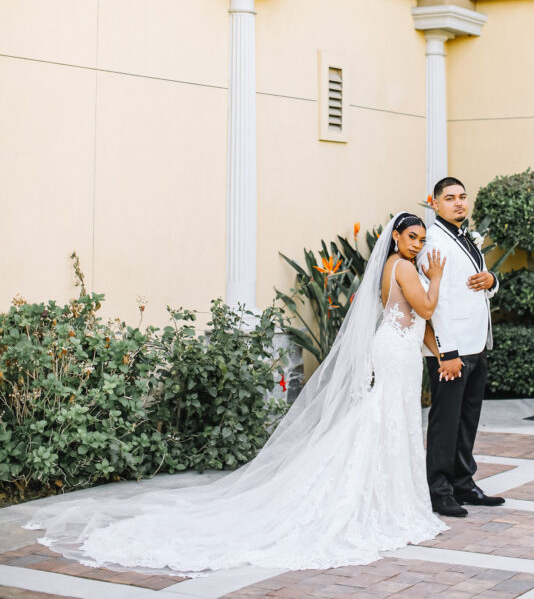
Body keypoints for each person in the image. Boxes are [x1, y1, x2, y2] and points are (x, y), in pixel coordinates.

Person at [26, 214, 450, 574]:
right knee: (390, 420)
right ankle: (386, 503)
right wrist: (436, 278)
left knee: (390, 420)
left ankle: (387, 500)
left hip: (397, 351)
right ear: (396, 237)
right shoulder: (407, 267)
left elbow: (413, 319)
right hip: (396, 354)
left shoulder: (390, 266)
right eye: (412, 238)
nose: (418, 245)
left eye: (421, 240)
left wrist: (439, 346)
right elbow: (426, 309)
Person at [418, 177, 504, 518]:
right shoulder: (433, 244)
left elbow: (478, 284)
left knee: (468, 419)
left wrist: (492, 280)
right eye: (450, 198)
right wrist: (447, 352)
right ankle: (439, 491)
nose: (458, 203)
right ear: (435, 204)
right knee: (445, 421)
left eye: (463, 197)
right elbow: (434, 303)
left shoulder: (467, 238)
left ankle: (463, 483)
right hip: (451, 352)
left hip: (475, 345)